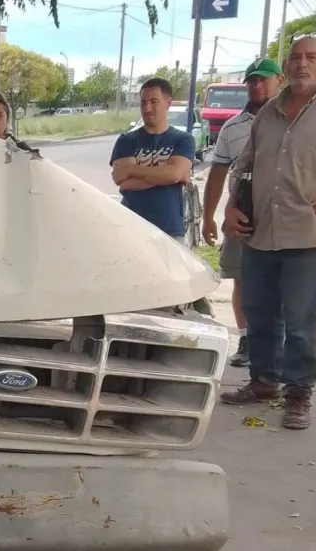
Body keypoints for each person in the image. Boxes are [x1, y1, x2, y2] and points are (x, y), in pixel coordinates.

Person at [221, 33, 316, 430]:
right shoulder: (268, 112)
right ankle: (264, 381)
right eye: (295, 57)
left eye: (311, 57)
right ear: (286, 65)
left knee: (301, 322)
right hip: (259, 231)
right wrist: (231, 207)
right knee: (260, 313)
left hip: (308, 233)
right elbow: (244, 167)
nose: (302, 64)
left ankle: (298, 393)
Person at [202, 58, 285, 367]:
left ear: (280, 80)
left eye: (264, 79)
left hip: (284, 216)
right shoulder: (233, 127)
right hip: (243, 215)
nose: (258, 85)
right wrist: (209, 216)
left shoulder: (295, 121)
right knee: (242, 278)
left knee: (282, 281)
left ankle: (279, 342)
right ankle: (247, 339)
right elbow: (217, 172)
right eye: (252, 80)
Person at [109, 78, 196, 241]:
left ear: (168, 102)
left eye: (154, 101)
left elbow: (174, 174)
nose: (147, 108)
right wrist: (168, 176)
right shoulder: (127, 140)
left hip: (170, 230)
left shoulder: (183, 139)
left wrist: (132, 169)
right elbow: (123, 182)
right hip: (130, 228)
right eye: (143, 102)